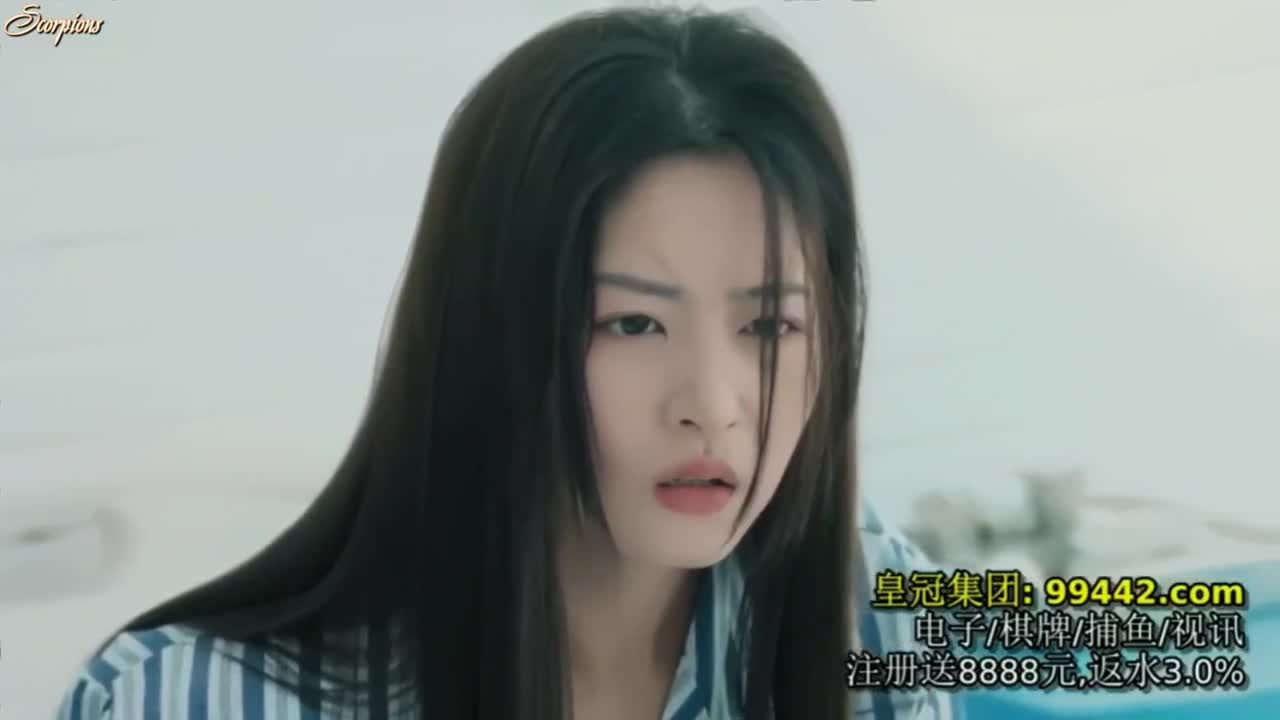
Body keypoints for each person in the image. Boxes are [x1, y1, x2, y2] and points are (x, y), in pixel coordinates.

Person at [56, 6, 958, 719]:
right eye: (633, 324)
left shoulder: (877, 611)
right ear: (491, 333)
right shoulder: (192, 700)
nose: (713, 406)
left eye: (769, 327)